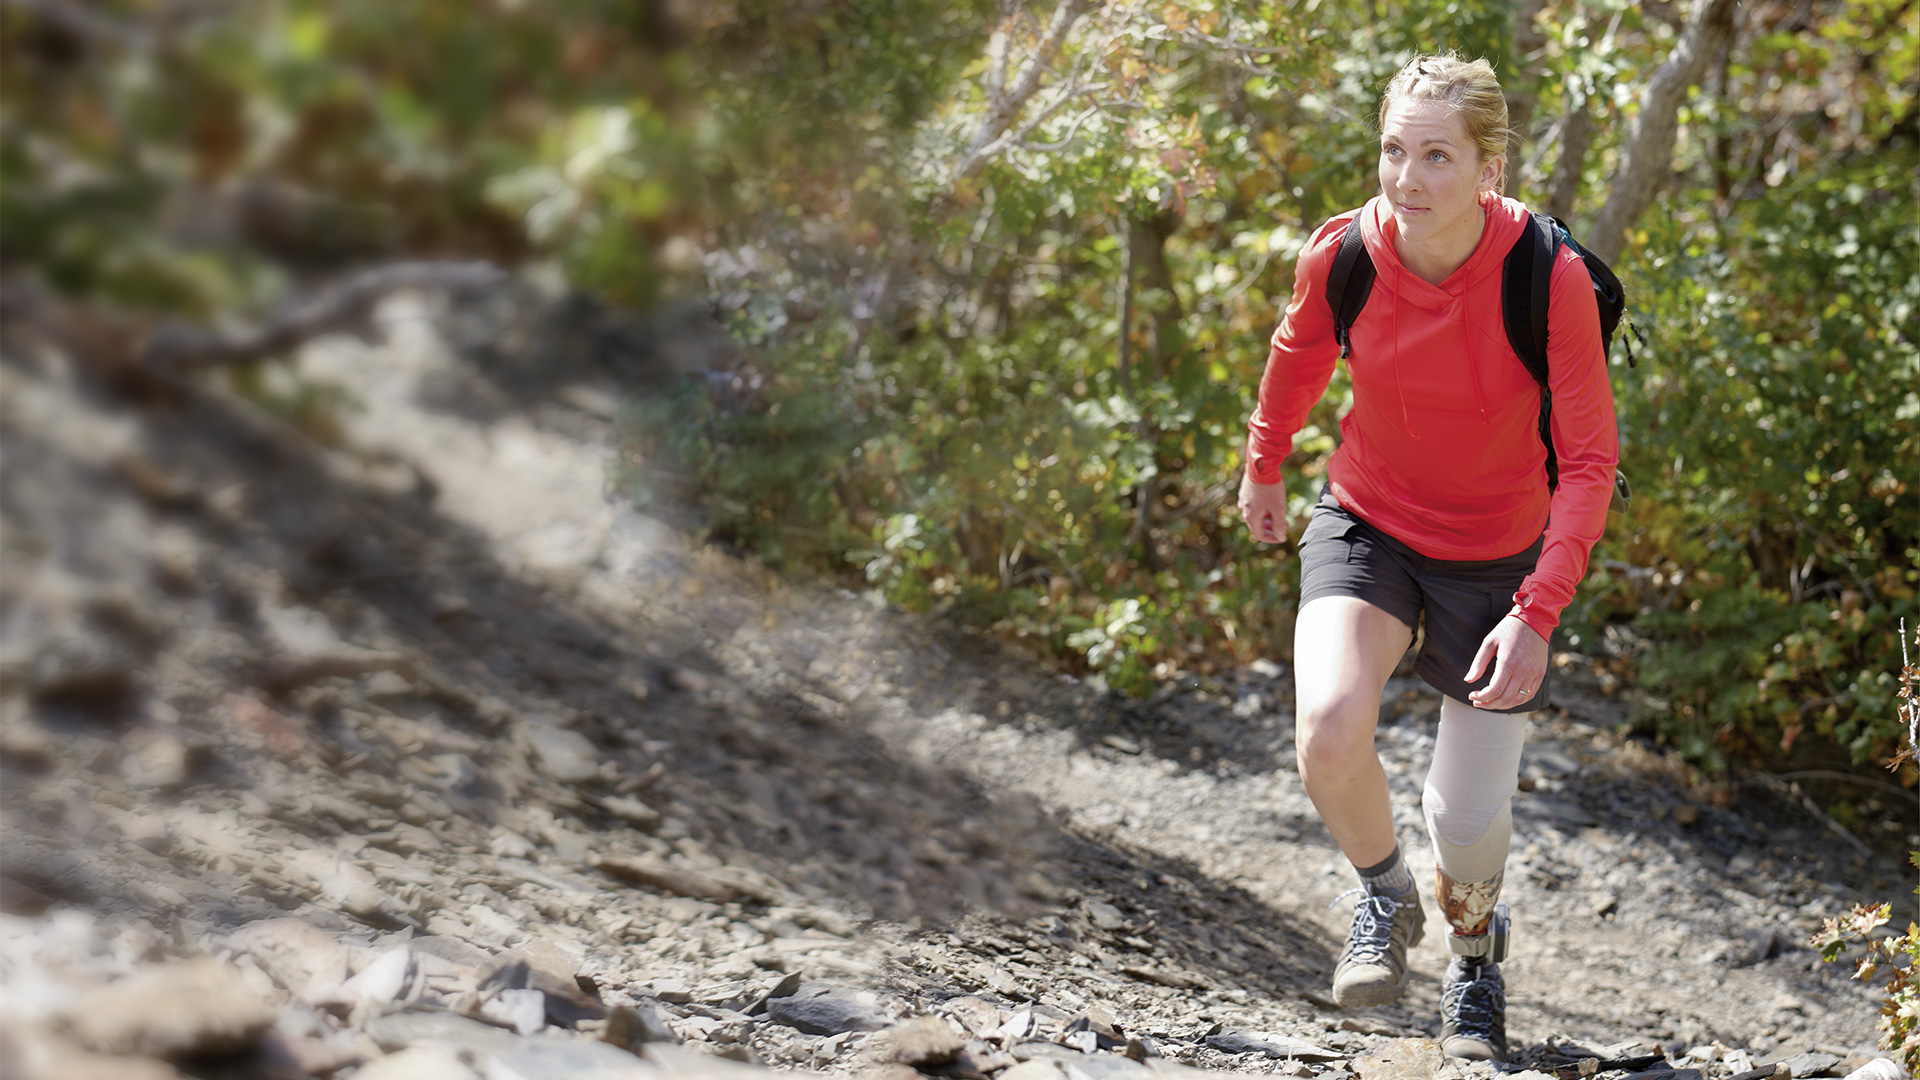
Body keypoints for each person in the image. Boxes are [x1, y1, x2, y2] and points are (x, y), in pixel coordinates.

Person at [1237, 54, 1618, 1060]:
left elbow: (1589, 461)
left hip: (1500, 560)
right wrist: (1264, 465)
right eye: (1395, 150)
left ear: (1490, 168)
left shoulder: (1550, 278)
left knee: (1465, 820)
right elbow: (1297, 355)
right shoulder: (1345, 256)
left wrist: (1537, 612)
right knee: (1326, 727)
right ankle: (1382, 896)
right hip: (1371, 517)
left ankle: (1476, 959)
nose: (1408, 177)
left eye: (1438, 155)